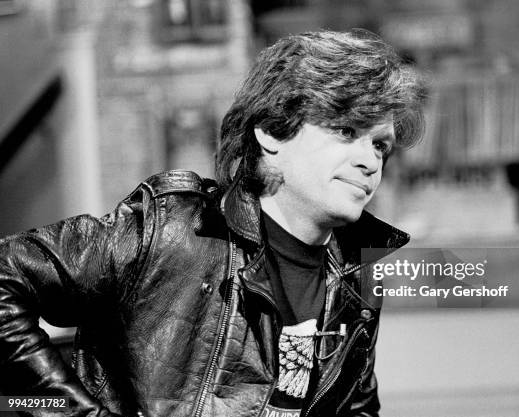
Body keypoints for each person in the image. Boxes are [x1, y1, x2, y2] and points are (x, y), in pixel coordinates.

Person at [0, 30, 425, 416]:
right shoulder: (173, 232)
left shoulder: (355, 273)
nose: (369, 160)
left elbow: (355, 409)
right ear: (273, 133)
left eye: (380, 145)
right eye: (347, 131)